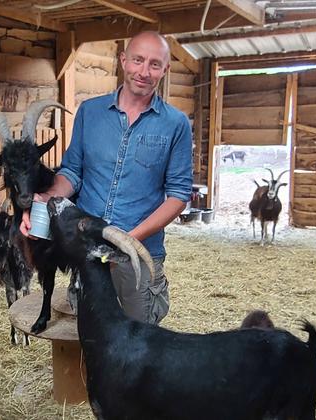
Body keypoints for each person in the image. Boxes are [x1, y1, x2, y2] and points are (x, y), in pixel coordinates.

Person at [21, 31, 193, 325]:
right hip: (86, 251)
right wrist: (47, 199)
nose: (144, 71)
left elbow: (178, 195)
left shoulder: (175, 124)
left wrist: (126, 241)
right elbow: (73, 172)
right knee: (93, 340)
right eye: (138, 60)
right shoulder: (91, 112)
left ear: (165, 70)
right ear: (123, 60)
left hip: (138, 256)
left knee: (140, 346)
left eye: (154, 64)